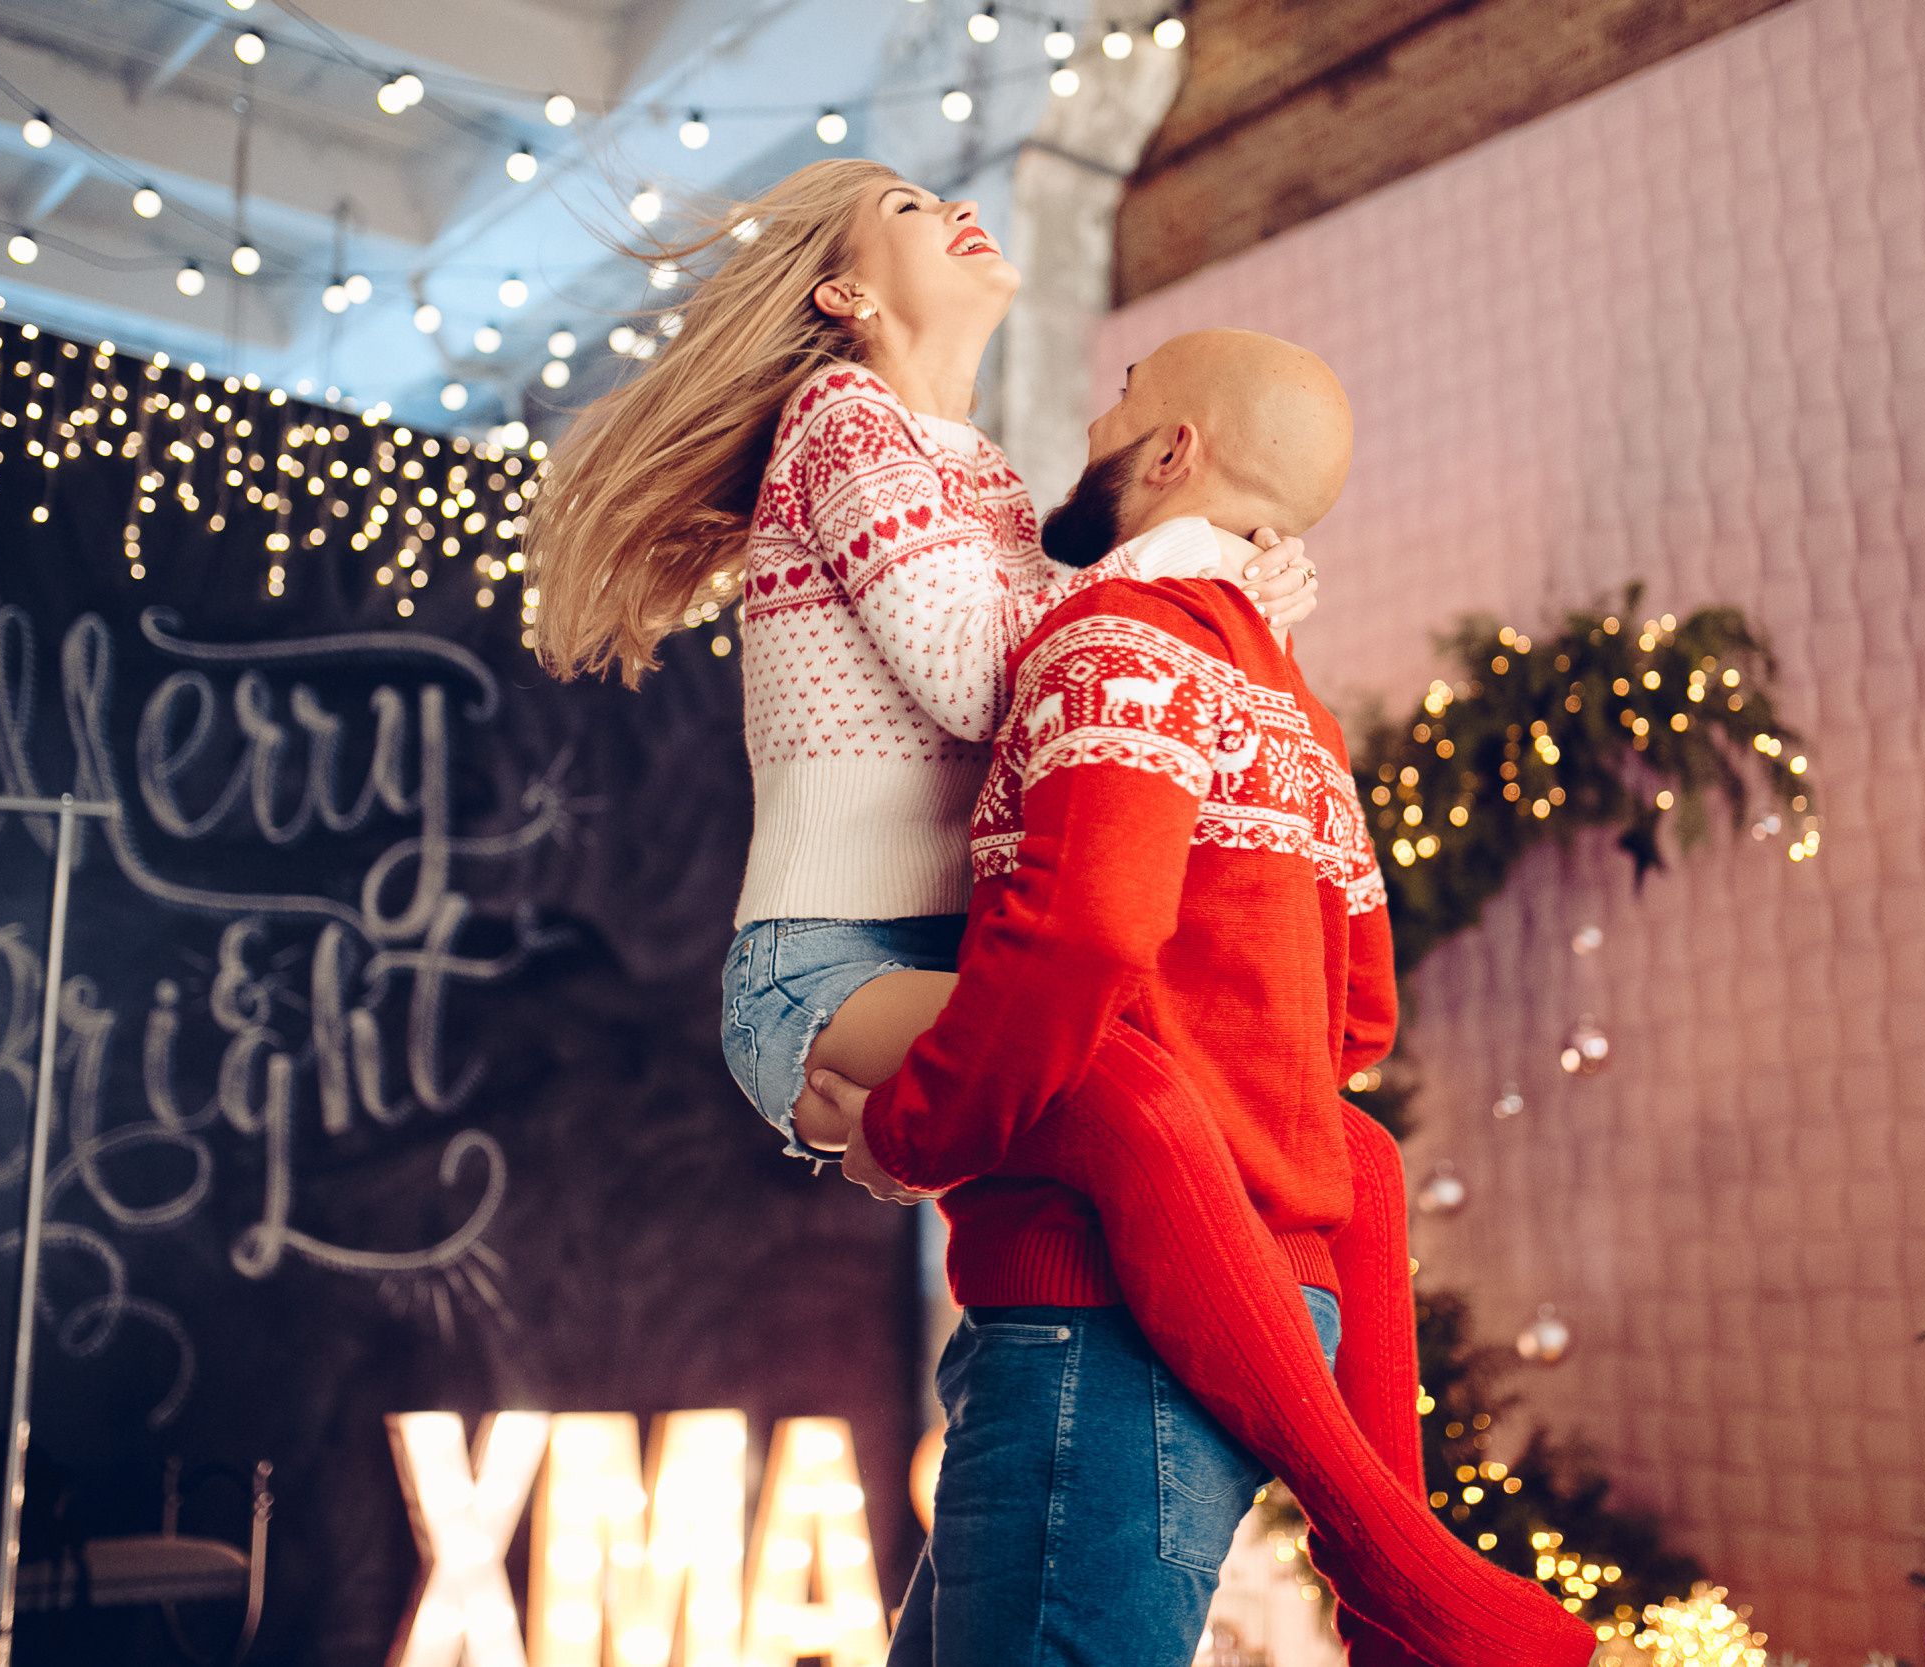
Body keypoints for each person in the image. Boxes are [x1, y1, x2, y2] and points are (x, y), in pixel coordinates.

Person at [523, 159, 1587, 1665]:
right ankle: (1385, 1551)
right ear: (845, 294)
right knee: (1125, 1081)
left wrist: (1204, 595)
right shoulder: (844, 423)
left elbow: (1096, 701)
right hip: (825, 971)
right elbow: (985, 672)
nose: (952, 205)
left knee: (1328, 1143)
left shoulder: (1000, 485)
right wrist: (1199, 582)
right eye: (903, 208)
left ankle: (1391, 1577)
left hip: (951, 977)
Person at [804, 329, 1598, 1667]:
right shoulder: (1297, 713)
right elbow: (1352, 1024)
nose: (1099, 423)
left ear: (1177, 450)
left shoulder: (1116, 640)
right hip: (1258, 1306)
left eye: (1123, 400)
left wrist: (910, 1132)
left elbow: (1084, 934)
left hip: (1098, 1320)